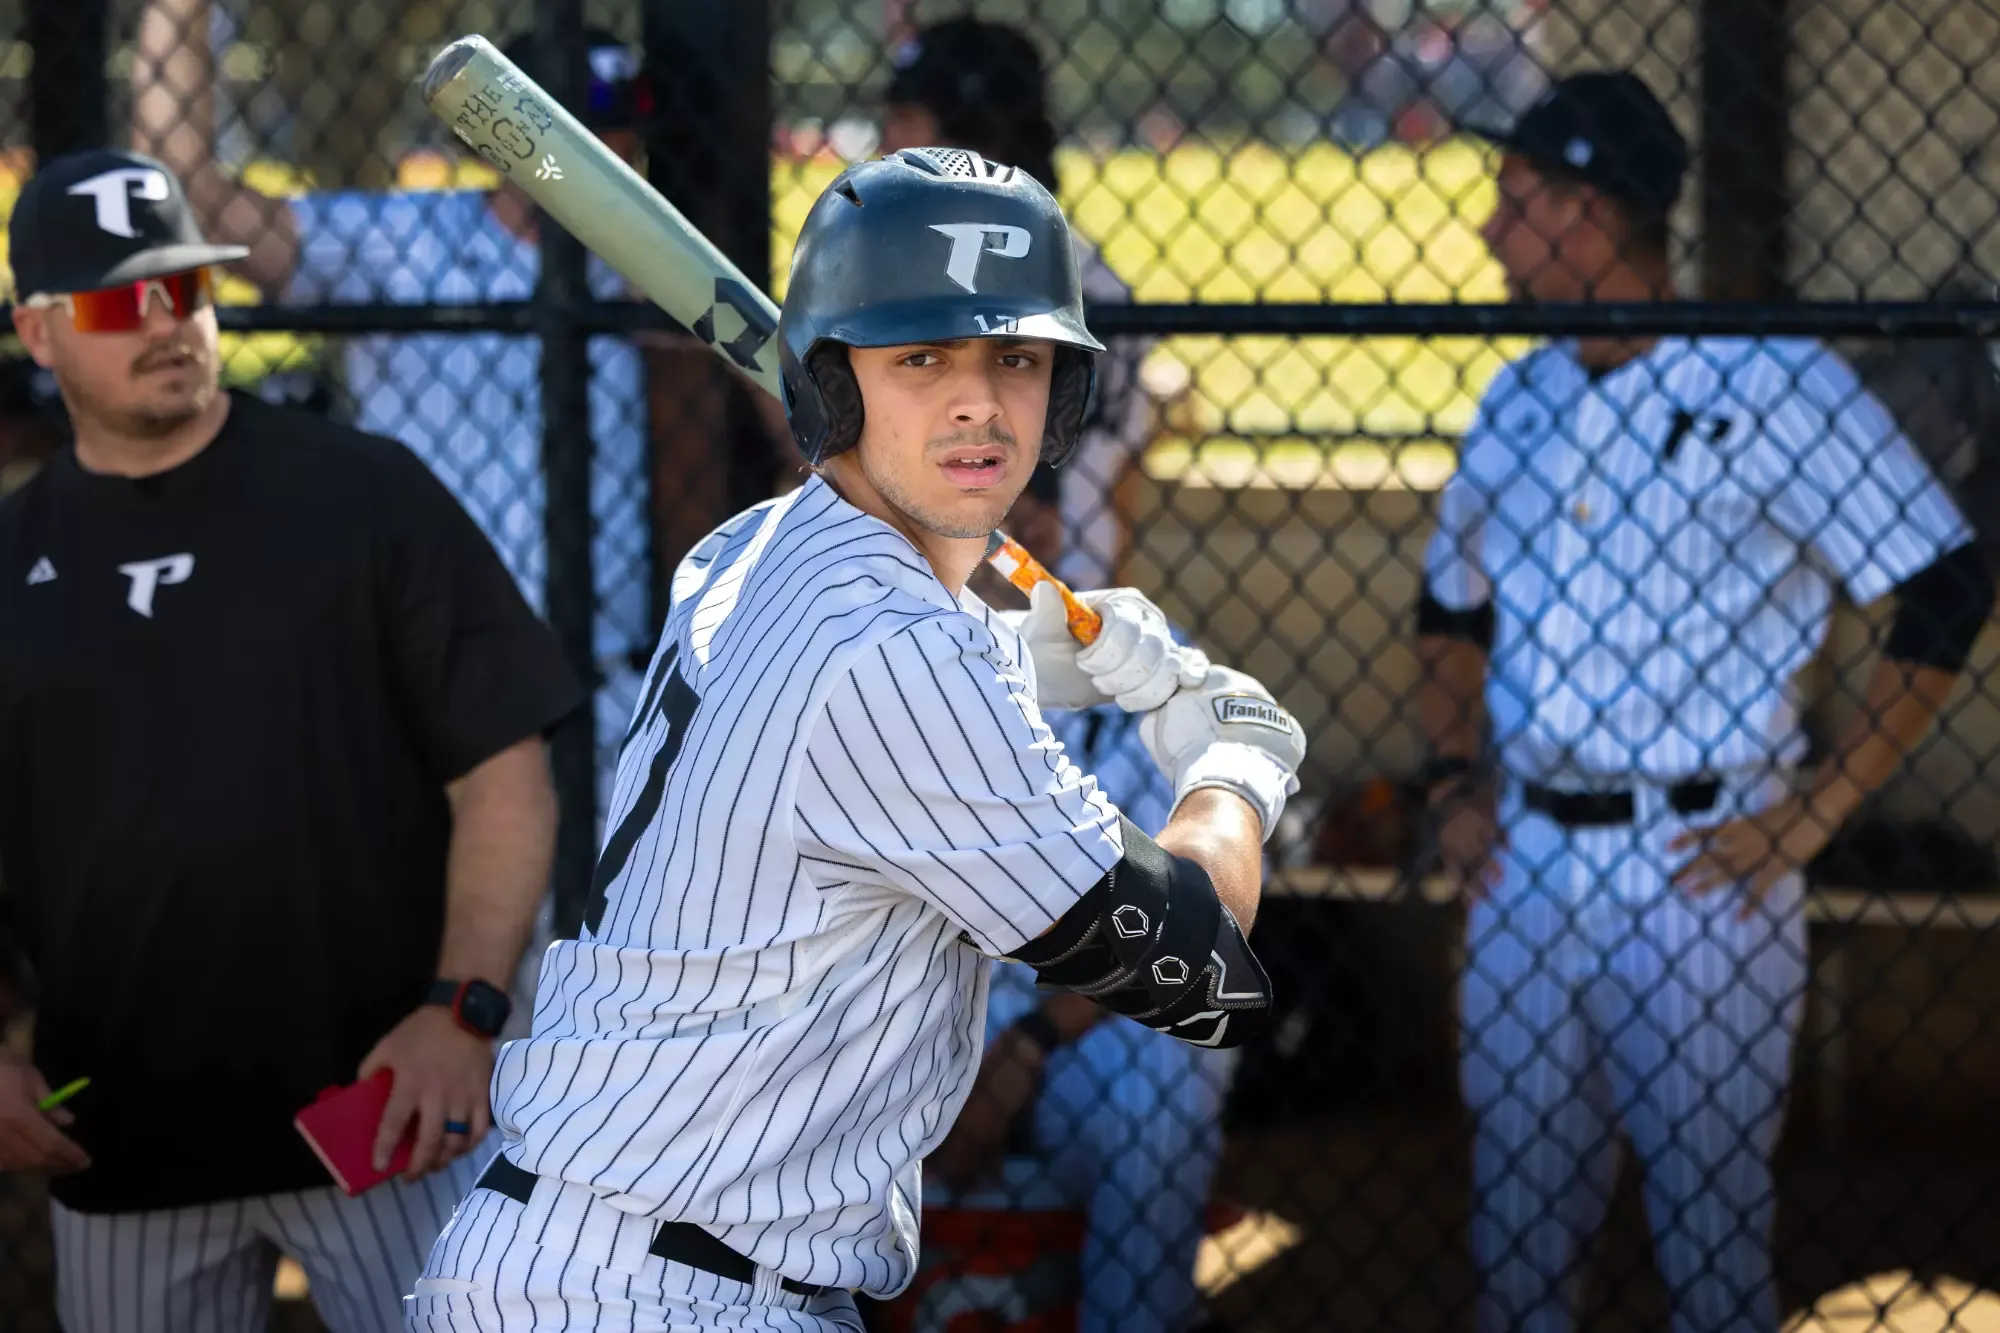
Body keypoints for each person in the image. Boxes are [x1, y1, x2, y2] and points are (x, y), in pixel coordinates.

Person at [404, 148, 1305, 1331]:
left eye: (1014, 358)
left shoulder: (746, 551)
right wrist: (1236, 761)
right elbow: (1180, 961)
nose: (978, 403)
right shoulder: (893, 653)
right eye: (920, 357)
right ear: (833, 381)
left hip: (593, 1258)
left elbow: (890, 671)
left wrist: (1054, 654)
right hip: (659, 1291)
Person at [1417, 72, 1994, 1333]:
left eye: (1514, 200)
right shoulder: (1520, 396)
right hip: (1522, 857)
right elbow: (1447, 610)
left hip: (1701, 868)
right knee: (1513, 1240)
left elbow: (1944, 583)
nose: (1490, 231)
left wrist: (1817, 812)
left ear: (1585, 213)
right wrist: (1452, 780)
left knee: (1710, 1246)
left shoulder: (1771, 381)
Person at [0, 148, 585, 1332]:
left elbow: (505, 773)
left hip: (386, 1123)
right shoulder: (10, 559)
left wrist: (463, 1011)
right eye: (118, 303)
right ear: (39, 332)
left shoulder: (362, 493)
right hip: (123, 1145)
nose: (163, 322)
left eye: (184, 288)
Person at [132, 0, 654, 805]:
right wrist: (178, 13)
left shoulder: (662, 266)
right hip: (430, 680)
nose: (605, 155)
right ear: (493, 137)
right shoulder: (406, 241)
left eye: (619, 132)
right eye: (574, 134)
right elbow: (190, 202)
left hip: (614, 686)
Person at [919, 465, 1239, 1333]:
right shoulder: (877, 650)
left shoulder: (1145, 660)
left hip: (1077, 1015)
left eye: (1041, 504)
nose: (1020, 526)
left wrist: (1028, 1045)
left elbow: (1184, 909)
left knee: (1166, 1077)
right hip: (914, 1001)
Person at [878, 17, 1159, 591]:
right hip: (1070, 593)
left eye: (905, 124)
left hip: (1010, 600)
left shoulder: (982, 280)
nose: (884, 149)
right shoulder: (1084, 267)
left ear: (971, 143)